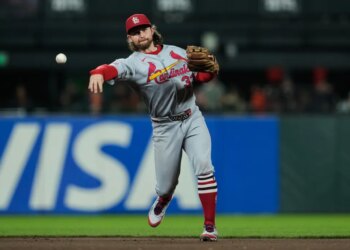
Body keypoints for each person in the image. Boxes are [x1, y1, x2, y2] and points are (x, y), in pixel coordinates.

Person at [88, 14, 219, 241]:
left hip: (192, 117)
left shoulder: (178, 52)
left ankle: (209, 227)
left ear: (151, 30)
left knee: (205, 167)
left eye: (144, 29)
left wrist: (211, 72)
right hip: (164, 127)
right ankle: (163, 200)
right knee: (166, 186)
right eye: (135, 32)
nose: (140, 34)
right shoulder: (132, 63)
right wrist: (98, 72)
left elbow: (202, 76)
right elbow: (111, 69)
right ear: (130, 38)